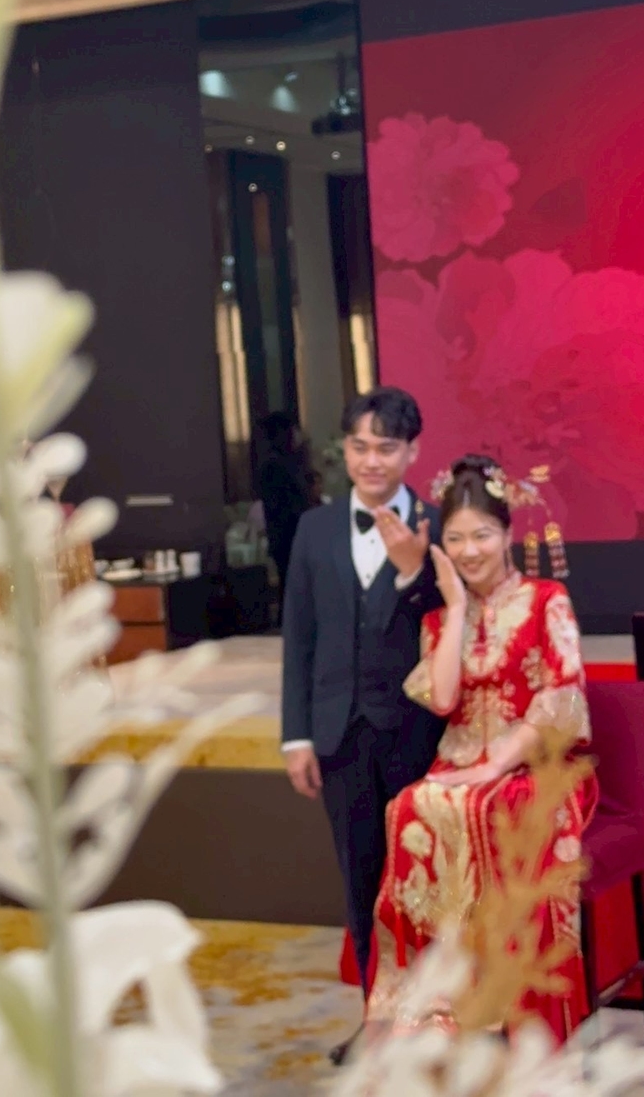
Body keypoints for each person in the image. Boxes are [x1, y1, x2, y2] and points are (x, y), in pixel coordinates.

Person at [369, 455, 597, 1046]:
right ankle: (436, 1008)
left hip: (536, 765)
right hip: (460, 761)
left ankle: (513, 1010)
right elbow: (444, 699)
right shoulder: (440, 618)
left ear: (508, 533)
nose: (469, 551)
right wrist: (456, 608)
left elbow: (561, 697)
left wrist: (496, 764)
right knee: (409, 808)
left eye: (482, 535)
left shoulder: (547, 599)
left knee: (504, 811)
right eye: (456, 539)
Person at [281, 387, 445, 1062]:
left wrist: (413, 575)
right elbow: (300, 636)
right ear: (344, 450)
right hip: (338, 733)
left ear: (412, 452)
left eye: (386, 447)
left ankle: (432, 1024)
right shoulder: (314, 529)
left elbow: (451, 621)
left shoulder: (440, 525)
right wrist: (296, 735)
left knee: (423, 883)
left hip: (415, 733)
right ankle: (376, 1022)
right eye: (359, 446)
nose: (371, 460)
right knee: (360, 883)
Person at [257, 412, 314, 605]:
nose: (298, 435)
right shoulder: (276, 466)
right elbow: (290, 506)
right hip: (288, 536)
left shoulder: (283, 463)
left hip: (288, 537)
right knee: (293, 587)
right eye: (294, 431)